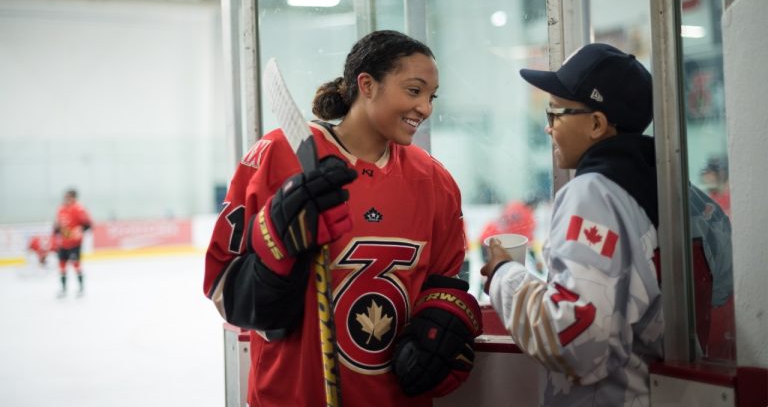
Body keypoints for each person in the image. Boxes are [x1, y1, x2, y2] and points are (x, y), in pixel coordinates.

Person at [204, 30, 482, 407]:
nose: (426, 109)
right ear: (367, 84)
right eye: (414, 91)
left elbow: (446, 279)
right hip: (292, 395)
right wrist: (276, 247)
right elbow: (224, 287)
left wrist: (441, 322)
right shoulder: (277, 155)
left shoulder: (435, 181)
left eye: (431, 97)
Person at [481, 43, 663, 406]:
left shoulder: (593, 194)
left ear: (596, 124)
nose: (548, 129)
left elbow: (574, 340)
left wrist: (503, 274)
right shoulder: (669, 187)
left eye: (555, 114)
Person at [53, 188, 92, 297]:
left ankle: (81, 288)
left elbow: (88, 225)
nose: (66, 199)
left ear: (74, 198)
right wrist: (57, 232)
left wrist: (80, 230)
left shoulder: (79, 209)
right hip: (63, 243)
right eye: (65, 197)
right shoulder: (60, 209)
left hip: (75, 244)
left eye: (68, 197)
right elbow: (57, 226)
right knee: (62, 266)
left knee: (76, 265)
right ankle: (63, 290)